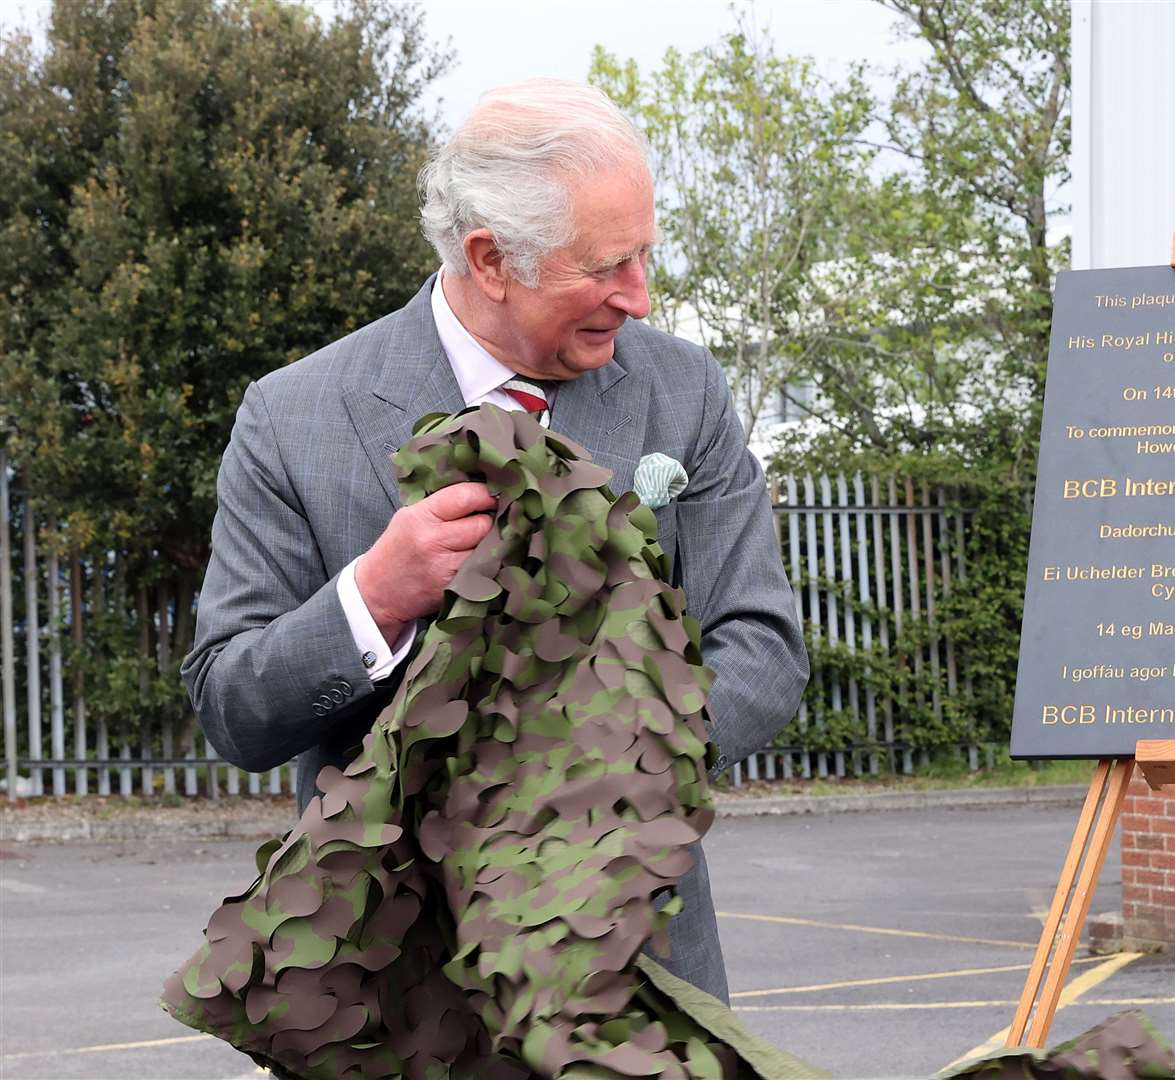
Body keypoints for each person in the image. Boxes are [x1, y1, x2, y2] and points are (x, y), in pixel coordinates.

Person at [180, 78, 809, 1003]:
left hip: (638, 981)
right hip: (397, 995)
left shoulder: (686, 392)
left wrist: (617, 755)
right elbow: (232, 707)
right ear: (490, 259)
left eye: (644, 257)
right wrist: (376, 596)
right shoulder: (292, 416)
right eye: (606, 267)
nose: (638, 298)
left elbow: (762, 647)